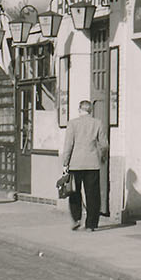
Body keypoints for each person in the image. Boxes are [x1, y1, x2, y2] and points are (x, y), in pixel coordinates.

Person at [61, 99, 108, 232]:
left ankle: (76, 219)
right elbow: (104, 144)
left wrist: (65, 163)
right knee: (92, 194)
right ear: (90, 110)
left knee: (74, 193)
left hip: (75, 164)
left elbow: (68, 145)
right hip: (92, 164)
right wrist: (103, 158)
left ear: (80, 110)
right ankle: (91, 225)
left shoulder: (72, 124)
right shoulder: (97, 123)